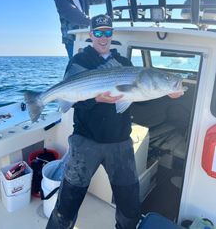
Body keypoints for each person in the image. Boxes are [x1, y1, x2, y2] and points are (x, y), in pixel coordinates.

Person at [46, 14, 183, 229]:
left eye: (107, 32)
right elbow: (72, 99)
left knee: (129, 205)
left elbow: (138, 97)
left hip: (120, 144)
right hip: (85, 142)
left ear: (112, 34)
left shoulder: (124, 63)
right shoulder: (79, 61)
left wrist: (167, 90)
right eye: (98, 32)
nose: (103, 37)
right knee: (67, 203)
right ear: (91, 35)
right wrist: (95, 99)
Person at [54, 0, 127, 58]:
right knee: (77, 66)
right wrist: (97, 23)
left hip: (87, 37)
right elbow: (76, 16)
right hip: (72, 40)